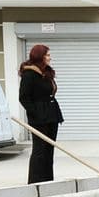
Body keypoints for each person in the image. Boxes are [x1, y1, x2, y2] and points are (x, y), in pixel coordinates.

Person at [18, 44, 64, 184]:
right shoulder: (29, 74)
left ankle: (48, 180)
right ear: (40, 56)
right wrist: (36, 113)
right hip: (39, 119)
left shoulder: (47, 72)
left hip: (51, 116)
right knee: (40, 151)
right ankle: (36, 181)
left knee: (49, 150)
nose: (50, 58)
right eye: (48, 55)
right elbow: (24, 98)